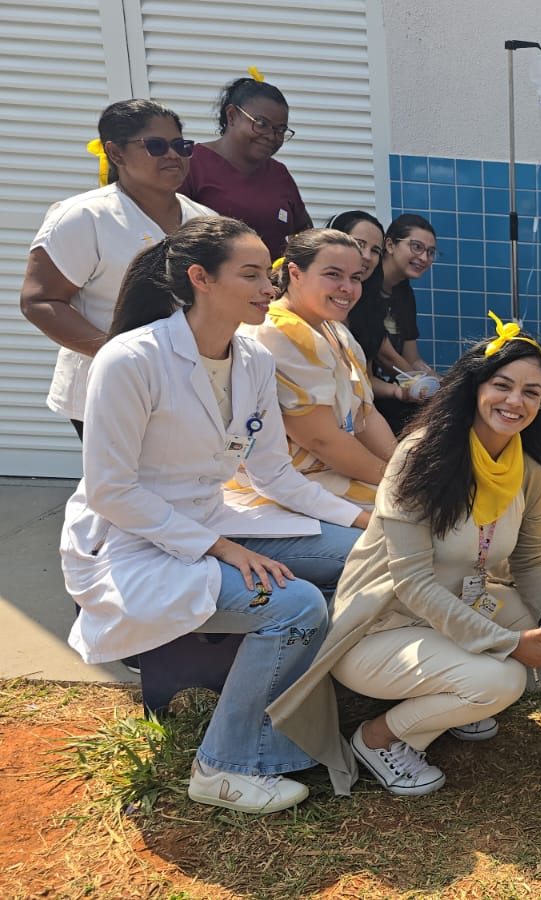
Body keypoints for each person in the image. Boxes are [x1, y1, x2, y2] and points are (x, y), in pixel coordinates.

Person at [62, 217, 367, 814]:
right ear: (200, 278)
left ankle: (329, 702)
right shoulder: (131, 360)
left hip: (214, 521)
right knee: (296, 604)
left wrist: (362, 521)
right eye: (251, 275)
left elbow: (274, 474)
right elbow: (111, 490)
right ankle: (226, 764)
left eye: (269, 275)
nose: (268, 289)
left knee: (363, 557)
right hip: (133, 540)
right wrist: (221, 548)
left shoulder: (249, 359)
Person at [270, 322, 541, 797]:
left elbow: (529, 563)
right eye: (502, 386)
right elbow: (411, 584)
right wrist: (509, 643)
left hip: (459, 610)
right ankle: (378, 738)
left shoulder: (529, 471)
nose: (515, 402)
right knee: (504, 678)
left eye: (532, 391)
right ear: (475, 388)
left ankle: (454, 694)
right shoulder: (421, 458)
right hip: (385, 625)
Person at [21, 99, 214, 437]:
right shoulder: (85, 217)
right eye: (156, 146)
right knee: (122, 487)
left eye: (180, 146)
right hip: (106, 387)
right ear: (117, 152)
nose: (173, 155)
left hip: (187, 385)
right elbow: (39, 301)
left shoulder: (205, 221)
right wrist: (119, 355)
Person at [228, 229, 395, 511]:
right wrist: (397, 482)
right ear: (295, 273)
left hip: (331, 472)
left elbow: (366, 415)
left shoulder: (336, 330)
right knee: (418, 515)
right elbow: (320, 440)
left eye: (355, 278)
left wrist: (401, 470)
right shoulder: (277, 331)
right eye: (333, 274)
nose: (348, 287)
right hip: (281, 487)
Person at [178, 73, 311, 259]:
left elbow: (305, 234)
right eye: (261, 124)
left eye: (280, 130)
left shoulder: (279, 174)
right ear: (231, 116)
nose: (271, 136)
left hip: (270, 286)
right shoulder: (191, 165)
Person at [345, 214, 440, 433]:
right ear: (390, 245)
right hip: (365, 401)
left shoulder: (404, 292)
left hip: (390, 394)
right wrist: (423, 386)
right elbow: (387, 357)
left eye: (430, 252)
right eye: (416, 247)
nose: (424, 258)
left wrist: (440, 384)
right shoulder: (363, 288)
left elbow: (412, 358)